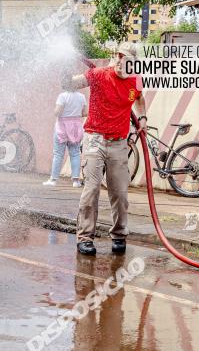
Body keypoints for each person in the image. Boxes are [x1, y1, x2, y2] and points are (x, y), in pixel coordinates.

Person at [67, 42, 146, 256]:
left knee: (120, 193)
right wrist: (65, 77)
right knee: (91, 189)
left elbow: (139, 98)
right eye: (120, 57)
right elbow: (74, 83)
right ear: (116, 57)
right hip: (94, 139)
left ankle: (119, 235)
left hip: (119, 142)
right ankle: (85, 238)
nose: (122, 62)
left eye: (127, 59)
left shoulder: (135, 81)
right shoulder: (99, 74)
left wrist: (143, 117)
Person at [43, 78, 87, 188]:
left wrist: (59, 111)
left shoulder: (62, 96)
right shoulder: (82, 97)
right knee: (75, 153)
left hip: (62, 126)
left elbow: (57, 112)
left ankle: (53, 180)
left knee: (58, 153)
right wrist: (74, 114)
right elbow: (85, 113)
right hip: (76, 126)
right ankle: (76, 181)